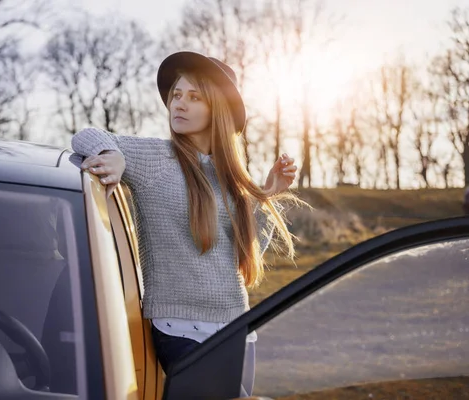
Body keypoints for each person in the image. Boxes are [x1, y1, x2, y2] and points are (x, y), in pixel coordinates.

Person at [71, 51, 301, 396]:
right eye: (176, 95)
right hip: (179, 330)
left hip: (236, 326)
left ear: (217, 110)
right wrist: (113, 156)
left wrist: (268, 195)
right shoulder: (154, 159)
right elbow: (86, 135)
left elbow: (244, 254)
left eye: (194, 97)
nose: (179, 104)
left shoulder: (233, 178)